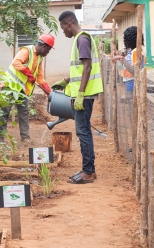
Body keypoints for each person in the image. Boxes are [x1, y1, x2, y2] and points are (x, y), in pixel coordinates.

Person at [51, 11, 103, 184]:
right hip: (82, 93)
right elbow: (80, 69)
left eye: (62, 28)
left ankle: (88, 172)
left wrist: (80, 94)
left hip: (85, 95)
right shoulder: (80, 39)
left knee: (83, 132)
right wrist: (66, 81)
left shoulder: (81, 39)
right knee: (84, 130)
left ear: (68, 23)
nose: (63, 32)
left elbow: (87, 67)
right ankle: (88, 170)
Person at [0, 34, 54, 143]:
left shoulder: (40, 58)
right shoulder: (27, 51)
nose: (48, 53)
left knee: (24, 113)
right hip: (10, 86)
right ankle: (0, 138)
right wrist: (29, 74)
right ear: (44, 47)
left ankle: (25, 137)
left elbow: (40, 78)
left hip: (23, 90)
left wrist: (49, 92)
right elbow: (16, 62)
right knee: (4, 112)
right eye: (48, 50)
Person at [112, 26, 145, 98]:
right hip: (129, 81)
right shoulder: (132, 52)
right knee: (130, 101)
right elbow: (125, 66)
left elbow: (134, 70)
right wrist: (119, 59)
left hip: (132, 82)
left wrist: (122, 59)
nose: (124, 42)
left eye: (125, 39)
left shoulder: (136, 52)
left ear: (131, 40)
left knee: (131, 101)